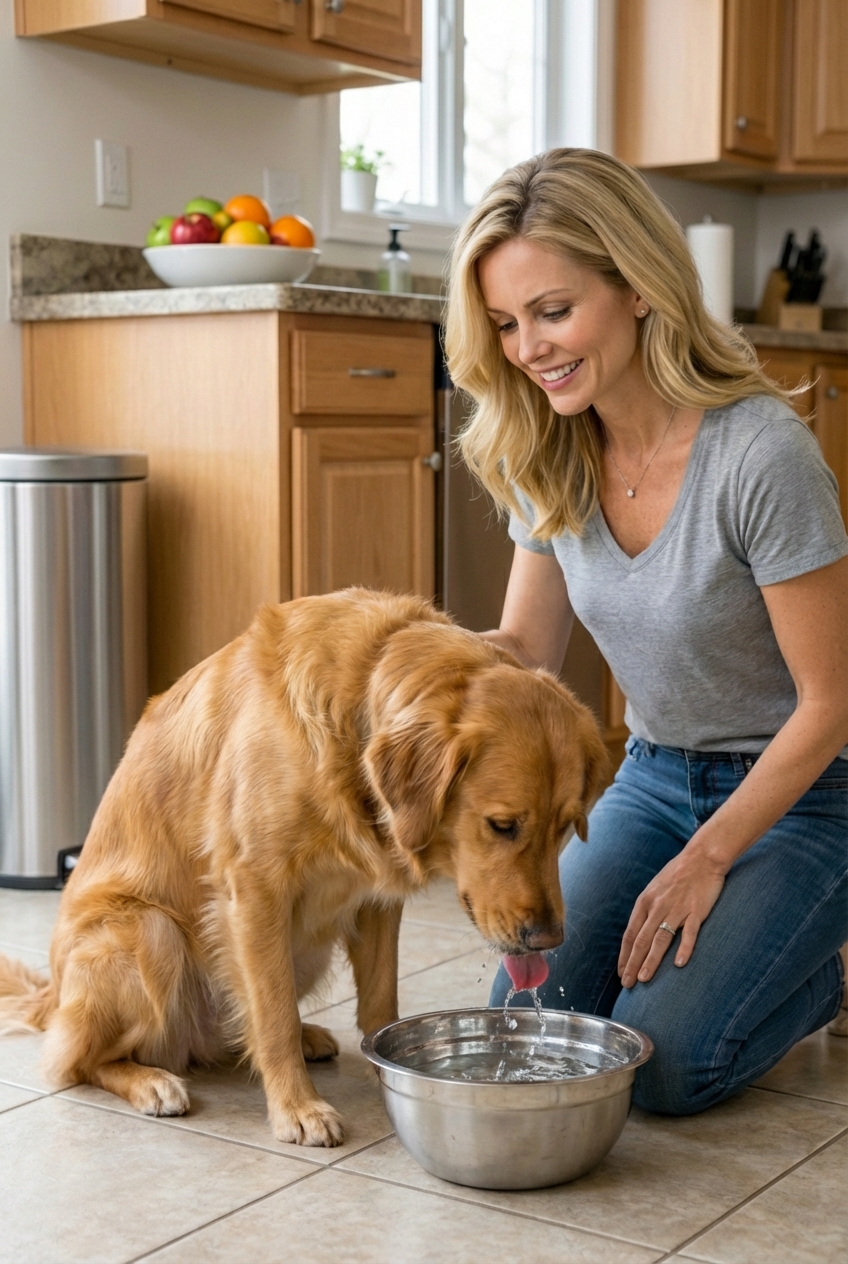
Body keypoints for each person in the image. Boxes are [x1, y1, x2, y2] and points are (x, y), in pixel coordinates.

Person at [443, 148, 848, 1116]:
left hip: (802, 796)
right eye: (504, 323)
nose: (528, 347)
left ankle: (820, 972)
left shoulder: (757, 455)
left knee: (662, 1065)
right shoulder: (550, 449)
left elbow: (830, 704)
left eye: (551, 311)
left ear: (633, 286)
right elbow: (524, 652)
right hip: (653, 776)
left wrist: (707, 857)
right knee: (533, 1031)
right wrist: (402, 663)